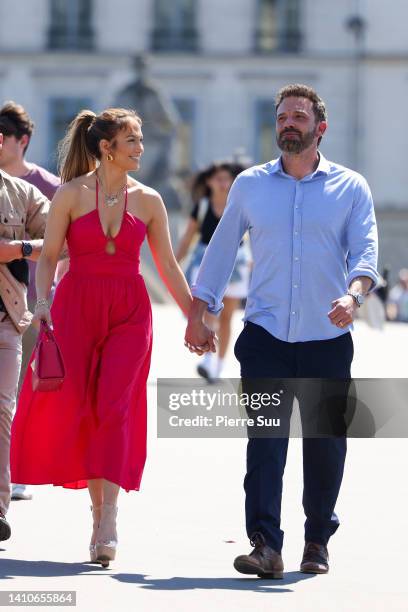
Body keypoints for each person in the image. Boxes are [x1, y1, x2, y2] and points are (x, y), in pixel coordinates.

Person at [185, 84, 378, 577]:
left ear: (320, 128)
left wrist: (352, 295)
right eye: (282, 116)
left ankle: (317, 540)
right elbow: (221, 250)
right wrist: (198, 309)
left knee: (325, 442)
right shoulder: (250, 185)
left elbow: (366, 255)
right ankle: (265, 545)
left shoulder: (351, 187)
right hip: (266, 337)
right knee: (265, 443)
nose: (288, 123)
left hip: (327, 338)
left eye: (298, 116)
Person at [10, 107, 212, 567]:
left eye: (141, 139)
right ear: (107, 147)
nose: (142, 147)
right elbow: (48, 258)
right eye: (134, 140)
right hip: (75, 306)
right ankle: (95, 511)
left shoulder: (150, 200)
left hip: (130, 311)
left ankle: (107, 522)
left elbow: (168, 266)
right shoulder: (69, 194)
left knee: (115, 407)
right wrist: (41, 309)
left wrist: (193, 318)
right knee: (82, 406)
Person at [0, 101, 60, 502]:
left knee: (8, 404)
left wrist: (17, 248)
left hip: (19, 309)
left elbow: (62, 242)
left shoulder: (36, 188)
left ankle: (5, 494)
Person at [0, 132, 50, 542]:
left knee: (2, 412)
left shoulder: (23, 194)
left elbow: (62, 240)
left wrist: (16, 248)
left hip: (6, 319)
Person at [176, 162, 251, 381]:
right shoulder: (202, 206)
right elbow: (188, 237)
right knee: (208, 313)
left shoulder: (238, 205)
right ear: (209, 182)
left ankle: (218, 364)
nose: (222, 183)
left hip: (236, 265)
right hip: (205, 263)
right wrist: (174, 264)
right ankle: (208, 359)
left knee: (227, 317)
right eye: (218, 178)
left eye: (226, 178)